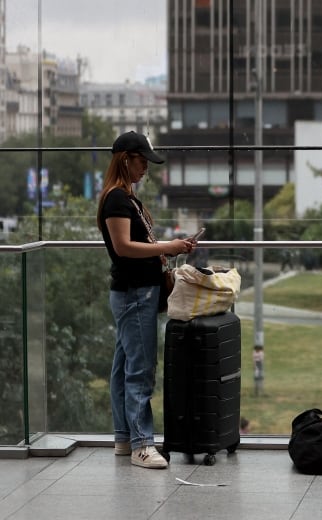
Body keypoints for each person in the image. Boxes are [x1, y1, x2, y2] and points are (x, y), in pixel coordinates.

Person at [97, 131, 196, 469]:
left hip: (136, 292)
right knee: (140, 369)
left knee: (124, 366)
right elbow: (124, 247)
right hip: (134, 292)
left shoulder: (126, 198)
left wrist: (169, 247)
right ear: (126, 158)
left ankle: (125, 438)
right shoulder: (116, 200)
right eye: (142, 162)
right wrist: (169, 247)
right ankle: (142, 443)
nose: (146, 169)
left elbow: (133, 246)